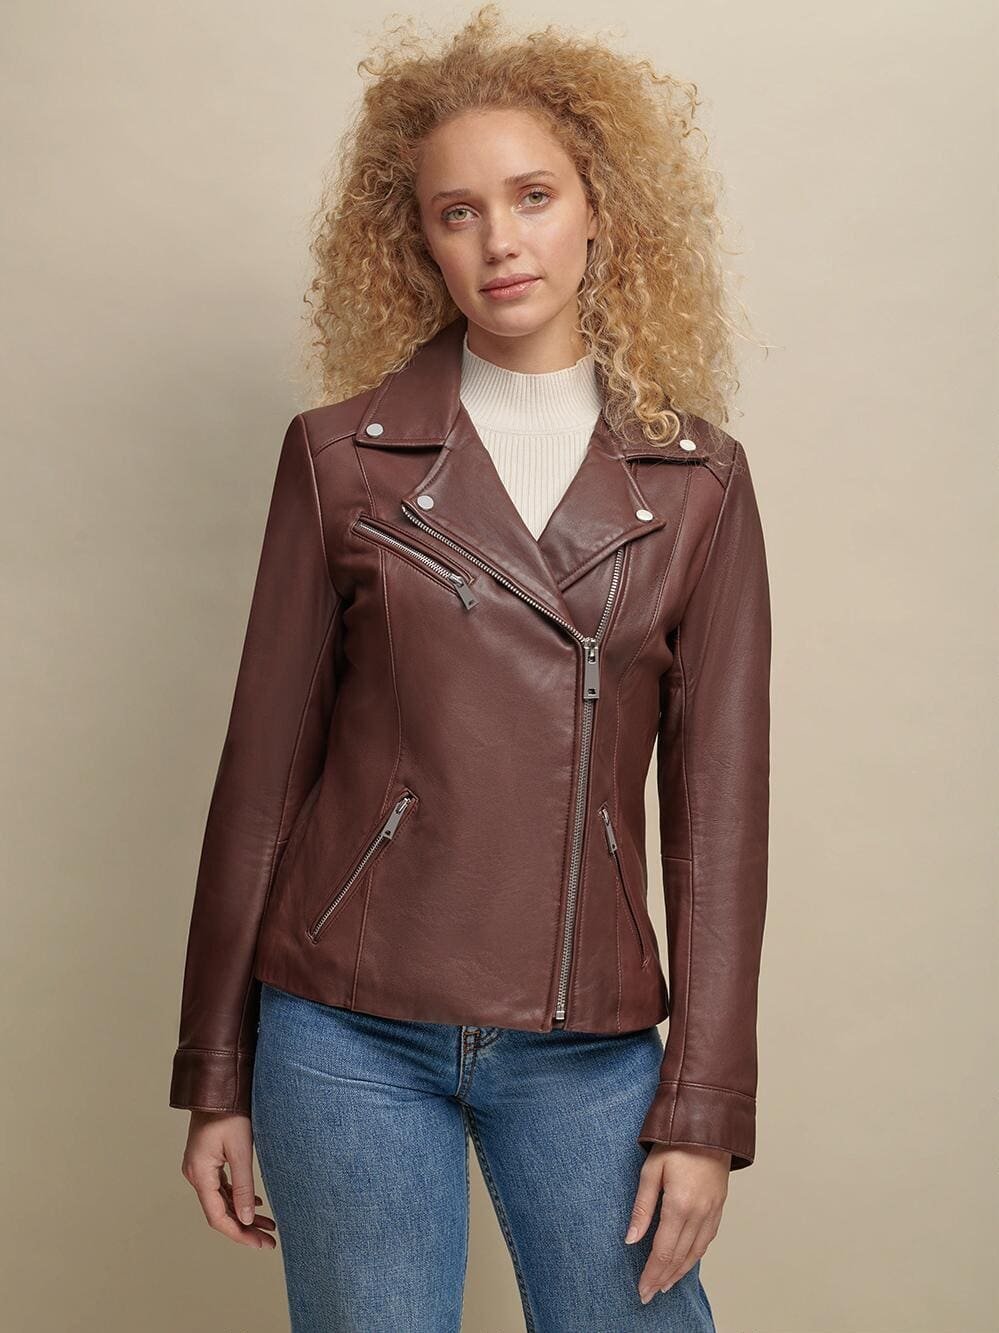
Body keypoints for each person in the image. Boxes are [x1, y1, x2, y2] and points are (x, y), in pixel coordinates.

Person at [169, 7, 771, 1330]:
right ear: (420, 242)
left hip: (587, 1040)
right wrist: (215, 1070)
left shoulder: (701, 483)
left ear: (600, 209)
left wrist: (705, 1106)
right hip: (344, 1026)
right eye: (458, 212)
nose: (501, 240)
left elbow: (718, 822)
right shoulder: (340, 459)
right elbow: (261, 779)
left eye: (534, 196)